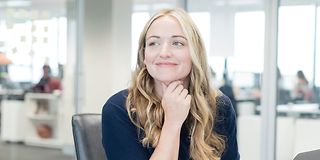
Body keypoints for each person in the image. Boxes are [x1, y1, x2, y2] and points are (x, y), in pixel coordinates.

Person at [102, 8, 240, 160]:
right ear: (144, 55)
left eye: (177, 43)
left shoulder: (219, 106)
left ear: (195, 53)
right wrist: (173, 122)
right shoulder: (119, 109)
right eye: (153, 43)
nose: (164, 52)